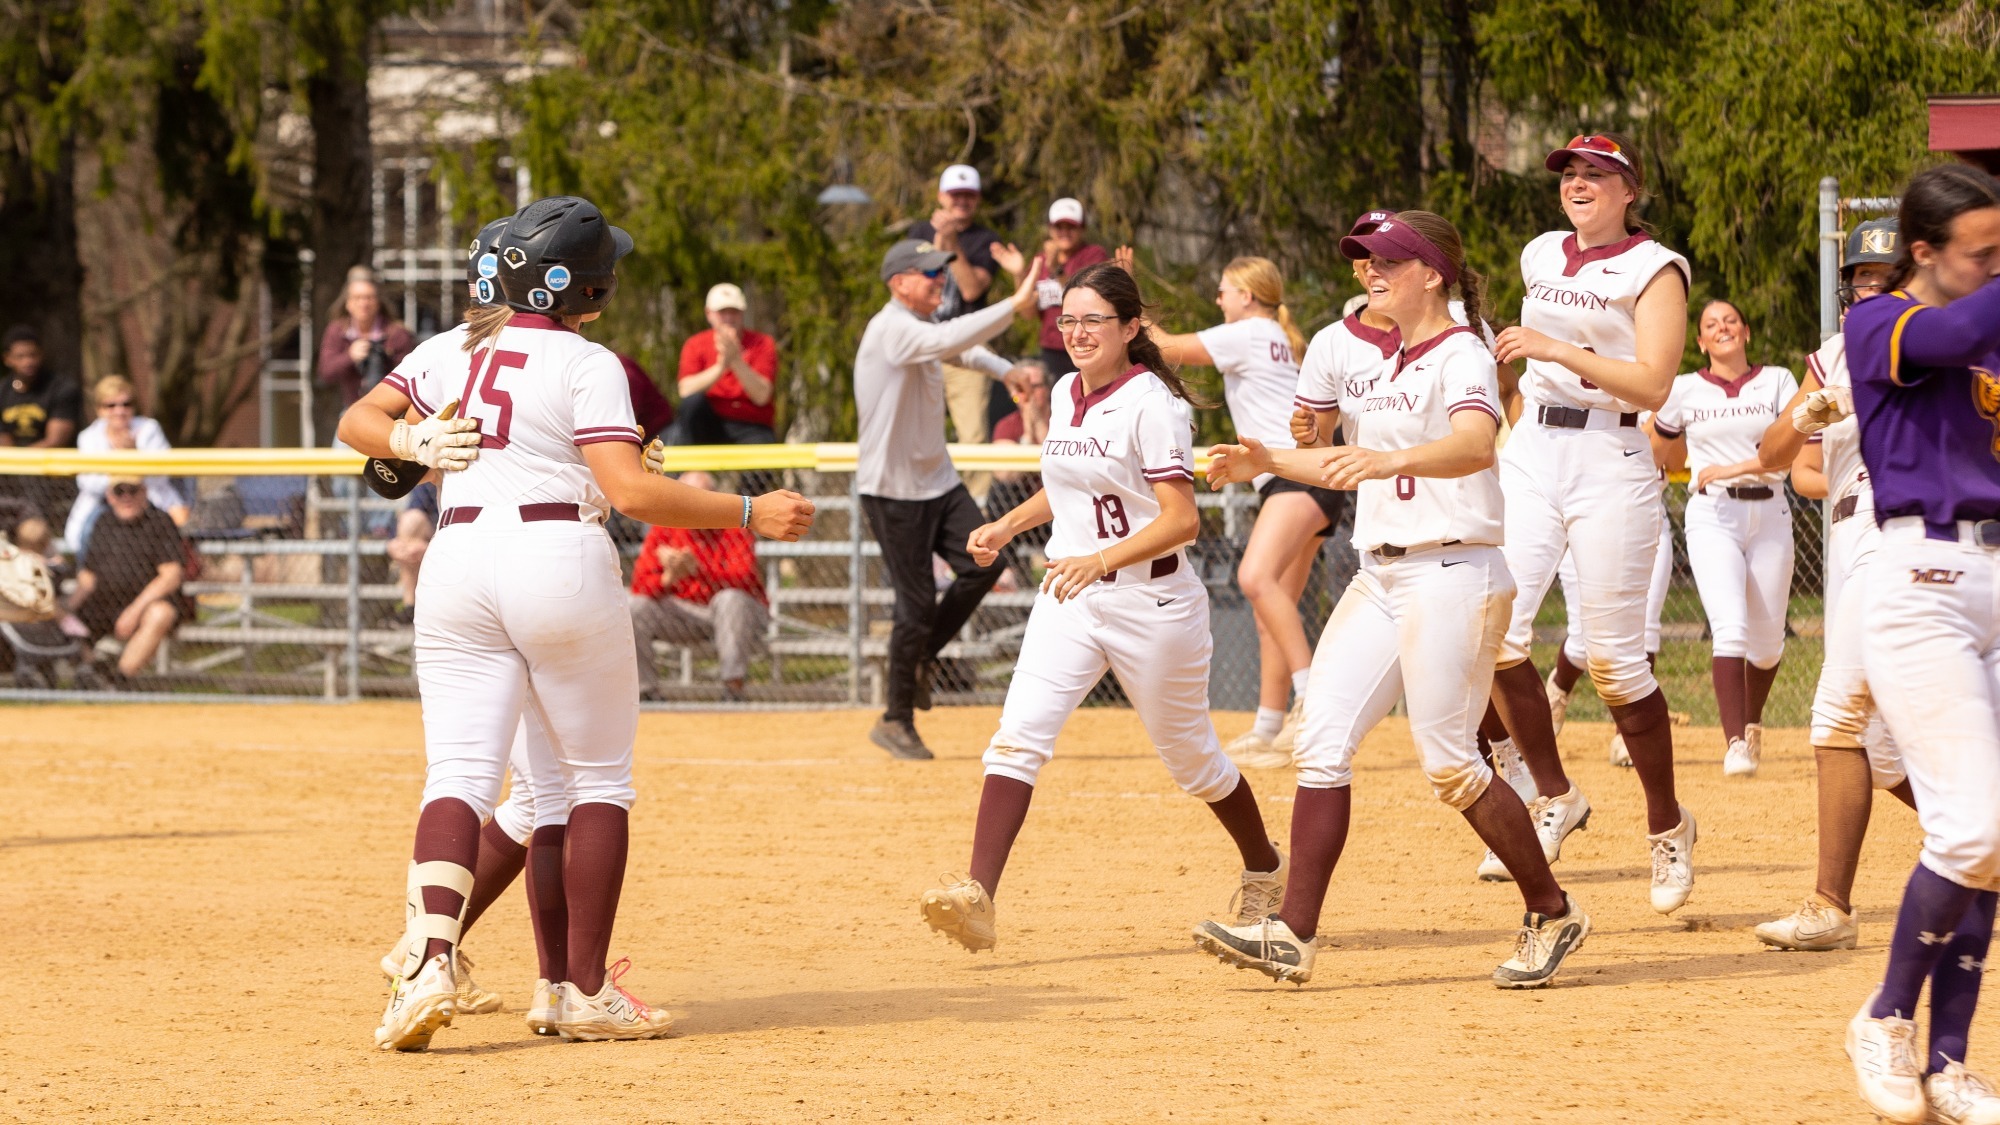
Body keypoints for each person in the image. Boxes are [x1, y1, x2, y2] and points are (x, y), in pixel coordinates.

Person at [342, 195, 815, 1051]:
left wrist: (413, 447)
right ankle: (581, 989)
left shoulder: (447, 348)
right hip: (555, 559)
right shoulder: (584, 358)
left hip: (456, 561)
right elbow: (629, 492)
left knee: (460, 774)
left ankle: (428, 962)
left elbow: (357, 422)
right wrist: (749, 509)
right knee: (597, 780)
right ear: (578, 285)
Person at [1192, 212, 1589, 990]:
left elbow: (1477, 442)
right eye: (1364, 260)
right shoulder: (1358, 347)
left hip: (1456, 568)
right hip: (1380, 572)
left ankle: (1551, 908)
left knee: (1449, 764)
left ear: (1432, 272)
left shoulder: (1463, 349)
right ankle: (1293, 935)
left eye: (1389, 259)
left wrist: (1388, 454)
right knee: (1322, 740)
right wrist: (1268, 456)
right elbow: (1329, 442)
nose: (1370, 270)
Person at [919, 261, 1285, 955]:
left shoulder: (1154, 402)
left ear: (1130, 328)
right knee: (1017, 736)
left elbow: (1181, 520)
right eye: (1070, 319)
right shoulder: (1064, 389)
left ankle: (1265, 863)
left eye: (1095, 320)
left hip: (1153, 600)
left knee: (1194, 761)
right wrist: (1007, 527)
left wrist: (1100, 559)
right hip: (1073, 596)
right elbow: (1070, 487)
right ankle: (978, 895)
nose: (1079, 332)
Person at [1477, 132, 1697, 915]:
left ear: (1629, 188)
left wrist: (1552, 346)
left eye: (1595, 174)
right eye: (1570, 173)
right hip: (1534, 444)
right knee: (1498, 633)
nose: (1578, 183)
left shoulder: (1655, 267)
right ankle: (1555, 794)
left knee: (1614, 664)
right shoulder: (1541, 252)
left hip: (1611, 454)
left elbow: (1652, 379)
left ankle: (1668, 825)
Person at [1840, 163, 2000, 1125]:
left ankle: (1949, 1061)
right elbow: (1953, 333)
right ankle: (1885, 1014)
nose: (1992, 267)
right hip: (1920, 586)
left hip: (1998, 577)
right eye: (1980, 253)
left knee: (1997, 840)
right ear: (1926, 251)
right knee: (1971, 827)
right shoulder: (1882, 322)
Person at [1750, 218, 1918, 954]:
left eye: (1885, 277)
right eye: (1860, 277)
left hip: (1896, 525)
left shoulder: (1929, 337)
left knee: (1839, 717)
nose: (1869, 288)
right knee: (1880, 753)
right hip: (1851, 532)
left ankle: (1830, 904)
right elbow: (1773, 455)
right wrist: (1810, 410)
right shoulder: (1834, 353)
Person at [852, 237, 1041, 760]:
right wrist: (1014, 305)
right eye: (929, 272)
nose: (940, 279)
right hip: (893, 493)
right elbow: (954, 338)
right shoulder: (890, 329)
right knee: (915, 604)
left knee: (986, 562)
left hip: (938, 482)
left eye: (940, 271)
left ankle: (920, 659)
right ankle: (895, 719)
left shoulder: (922, 329)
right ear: (899, 284)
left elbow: (960, 347)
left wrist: (1005, 370)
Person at [1144, 256, 1335, 772]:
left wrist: (1129, 304)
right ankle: (1270, 728)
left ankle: (1313, 697)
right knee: (1275, 603)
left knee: (1254, 578)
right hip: (1305, 474)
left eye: (1225, 290)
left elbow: (1165, 348)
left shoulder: (1248, 331)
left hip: (1294, 474)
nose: (1219, 299)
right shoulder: (1274, 333)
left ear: (1248, 297)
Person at [1647, 301, 1799, 777]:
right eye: (1711, 324)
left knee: (1769, 644)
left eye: (1731, 320)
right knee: (1730, 626)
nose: (1722, 328)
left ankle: (1752, 723)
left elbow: (1786, 455)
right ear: (1700, 342)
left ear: (1747, 330)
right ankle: (1734, 742)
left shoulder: (1777, 381)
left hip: (1770, 509)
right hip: (1713, 512)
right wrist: (1670, 461)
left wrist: (1733, 465)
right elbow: (1662, 448)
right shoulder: (1686, 388)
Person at [629, 469, 769, 701]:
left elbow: (743, 577)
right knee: (636, 607)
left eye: (699, 498)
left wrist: (696, 567)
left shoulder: (734, 524)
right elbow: (639, 584)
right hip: (683, 616)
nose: (692, 505)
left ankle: (733, 690)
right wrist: (670, 576)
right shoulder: (665, 526)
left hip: (731, 616)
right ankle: (647, 692)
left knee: (730, 600)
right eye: (685, 498)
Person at [908, 165, 1011, 448]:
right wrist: (940, 240)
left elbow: (971, 289)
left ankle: (976, 494)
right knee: (915, 431)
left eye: (968, 195)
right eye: (956, 195)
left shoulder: (986, 239)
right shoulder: (918, 232)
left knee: (972, 435)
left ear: (977, 199)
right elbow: (912, 286)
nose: (962, 202)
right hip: (922, 345)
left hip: (966, 346)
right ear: (941, 197)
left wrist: (951, 242)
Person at [68, 476, 184, 684]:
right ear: (109, 496)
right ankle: (95, 672)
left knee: (161, 613)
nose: (126, 497)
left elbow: (171, 576)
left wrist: (134, 611)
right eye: (119, 491)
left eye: (133, 490)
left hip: (146, 604)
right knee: (63, 615)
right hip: (105, 602)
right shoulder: (103, 522)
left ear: (145, 492)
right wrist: (65, 609)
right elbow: (88, 577)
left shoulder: (160, 521)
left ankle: (120, 680)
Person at [65, 376, 188, 552]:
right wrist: (124, 469)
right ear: (99, 410)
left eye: (126, 404)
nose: (119, 411)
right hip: (103, 501)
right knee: (86, 534)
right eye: (111, 405)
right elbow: (88, 482)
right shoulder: (89, 436)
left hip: (148, 500)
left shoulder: (149, 429)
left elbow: (160, 476)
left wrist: (132, 454)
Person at [672, 283, 777, 447]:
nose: (729, 317)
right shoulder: (695, 344)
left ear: (742, 313)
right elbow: (686, 390)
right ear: (709, 314)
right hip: (709, 426)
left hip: (751, 425)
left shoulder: (763, 343)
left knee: (762, 449)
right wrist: (721, 366)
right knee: (692, 403)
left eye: (734, 311)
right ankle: (692, 471)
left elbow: (762, 395)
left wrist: (735, 361)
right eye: (722, 312)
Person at [0, 325, 83, 523]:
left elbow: (55, 440)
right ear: (7, 359)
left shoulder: (62, 388)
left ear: (41, 355)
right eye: (20, 356)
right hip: (10, 470)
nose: (28, 361)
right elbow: (3, 440)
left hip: (49, 473)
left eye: (33, 355)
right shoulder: (2, 392)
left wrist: (18, 461)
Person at [317, 267, 416, 409]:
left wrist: (384, 358)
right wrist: (350, 356)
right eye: (357, 298)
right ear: (348, 303)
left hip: (391, 409)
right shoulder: (337, 331)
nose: (363, 304)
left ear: (378, 302)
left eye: (369, 298)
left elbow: (411, 379)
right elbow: (325, 373)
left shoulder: (397, 334)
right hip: (351, 408)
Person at [1033, 198, 1109, 378]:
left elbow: (1086, 294)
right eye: (1059, 227)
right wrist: (1019, 273)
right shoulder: (1041, 260)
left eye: (1071, 227)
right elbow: (1028, 313)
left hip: (1085, 342)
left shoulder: (1093, 255)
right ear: (1050, 230)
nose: (1064, 233)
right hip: (1051, 346)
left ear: (1082, 229)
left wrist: (1057, 270)